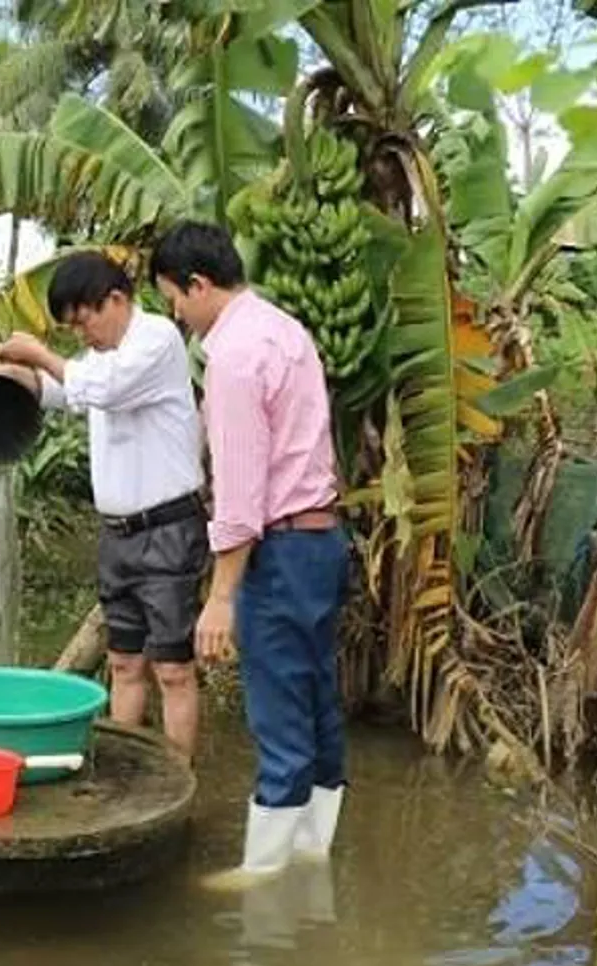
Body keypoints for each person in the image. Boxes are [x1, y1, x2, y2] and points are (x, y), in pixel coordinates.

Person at [148, 221, 349, 889]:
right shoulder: (285, 330)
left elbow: (239, 490)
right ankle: (311, 854)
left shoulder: (232, 356)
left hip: (281, 548)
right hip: (323, 540)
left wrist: (219, 597)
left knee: (277, 708)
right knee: (317, 697)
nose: (176, 314)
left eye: (174, 299)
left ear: (198, 284)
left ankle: (262, 873)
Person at [0, 251, 210, 760]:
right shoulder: (99, 360)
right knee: (124, 662)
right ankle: (123, 770)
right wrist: (17, 372)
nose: (82, 334)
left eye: (84, 320)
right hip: (118, 535)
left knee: (173, 668)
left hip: (168, 530)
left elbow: (102, 389)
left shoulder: (154, 339)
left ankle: (178, 778)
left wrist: (42, 354)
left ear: (115, 300)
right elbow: (66, 392)